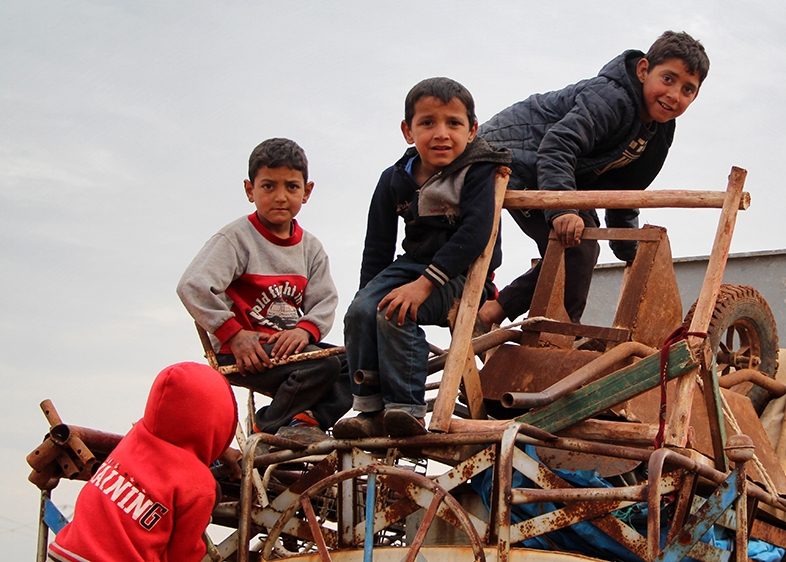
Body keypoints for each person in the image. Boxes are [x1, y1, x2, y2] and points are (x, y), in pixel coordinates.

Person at [476, 31, 709, 326]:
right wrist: (561, 210)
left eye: (687, 89)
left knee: (579, 247)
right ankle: (556, 337)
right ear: (643, 70)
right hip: (510, 157)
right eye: (668, 79)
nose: (674, 95)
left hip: (559, 173)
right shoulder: (612, 98)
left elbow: (624, 191)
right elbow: (558, 145)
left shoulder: (658, 134)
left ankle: (493, 314)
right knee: (577, 243)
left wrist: (630, 253)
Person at [333, 77, 510, 439]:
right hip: (410, 267)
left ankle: (406, 409)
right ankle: (367, 405)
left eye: (453, 123)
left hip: (462, 274)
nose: (441, 133)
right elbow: (377, 248)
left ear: (472, 130)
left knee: (396, 311)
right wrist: (365, 299)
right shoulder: (394, 179)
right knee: (363, 310)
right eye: (427, 123)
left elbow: (475, 234)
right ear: (407, 131)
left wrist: (424, 284)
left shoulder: (478, 171)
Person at [177, 138, 350, 434]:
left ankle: (307, 420)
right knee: (322, 367)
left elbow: (325, 301)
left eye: (291, 187)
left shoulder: (310, 248)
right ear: (250, 190)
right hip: (245, 351)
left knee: (356, 362)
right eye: (269, 186)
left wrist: (304, 330)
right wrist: (234, 335)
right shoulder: (237, 239)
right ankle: (267, 425)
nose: (280, 197)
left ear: (306, 192)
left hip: (288, 349)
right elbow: (193, 286)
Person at [48, 362, 239, 562]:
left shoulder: (135, 438)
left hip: (64, 551)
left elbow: (178, 424)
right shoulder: (199, 486)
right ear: (220, 423)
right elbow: (182, 556)